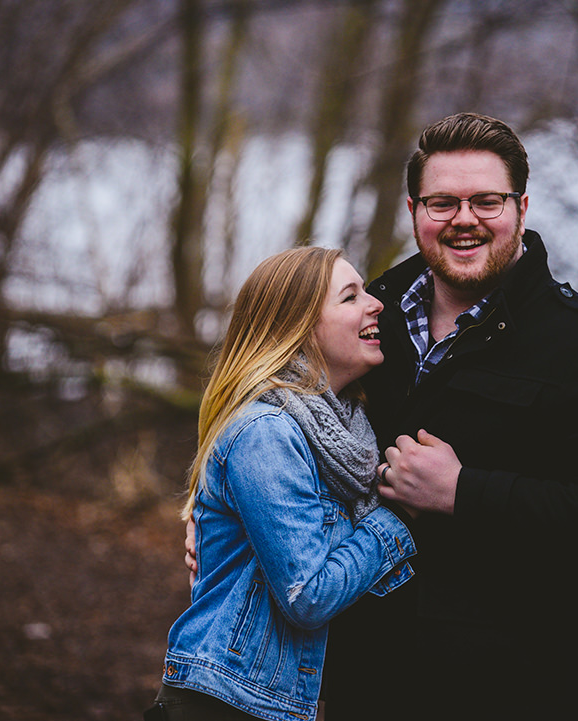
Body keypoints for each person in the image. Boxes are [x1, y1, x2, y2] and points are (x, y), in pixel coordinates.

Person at [189, 113, 578, 719]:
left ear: (521, 207)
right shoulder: (368, 318)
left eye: (485, 201)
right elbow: (270, 398)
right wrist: (218, 512)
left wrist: (464, 492)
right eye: (443, 203)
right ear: (414, 209)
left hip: (513, 691)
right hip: (363, 686)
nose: (464, 220)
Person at [149, 247, 417, 721]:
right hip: (229, 703)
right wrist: (398, 516)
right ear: (299, 328)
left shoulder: (345, 432)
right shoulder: (267, 432)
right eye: (350, 297)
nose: (376, 304)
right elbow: (307, 596)